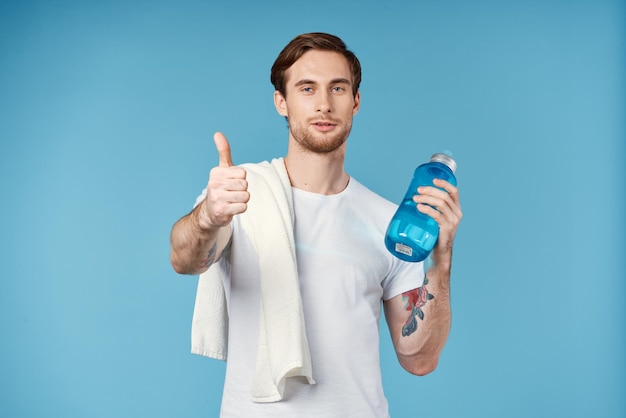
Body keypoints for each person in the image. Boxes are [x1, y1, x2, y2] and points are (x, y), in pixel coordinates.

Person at [170, 32, 462, 417]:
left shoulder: (392, 224)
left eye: (337, 89)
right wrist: (209, 215)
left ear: (355, 102)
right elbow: (185, 259)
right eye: (307, 89)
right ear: (282, 102)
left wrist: (440, 264)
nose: (324, 104)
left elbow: (418, 359)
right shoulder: (238, 194)